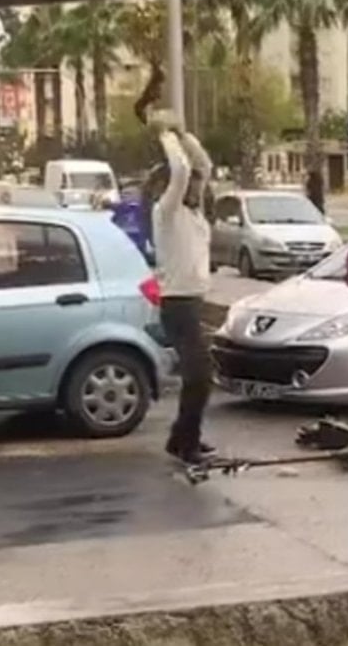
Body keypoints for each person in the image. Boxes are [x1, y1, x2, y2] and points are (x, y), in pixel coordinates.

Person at [149, 110, 216, 464]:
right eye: (189, 186)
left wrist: (184, 133)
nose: (195, 187)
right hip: (177, 305)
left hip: (193, 303)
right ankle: (186, 443)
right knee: (199, 377)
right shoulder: (166, 213)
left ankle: (181, 439)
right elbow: (183, 169)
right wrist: (165, 135)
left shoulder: (194, 214)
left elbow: (202, 166)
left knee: (199, 377)